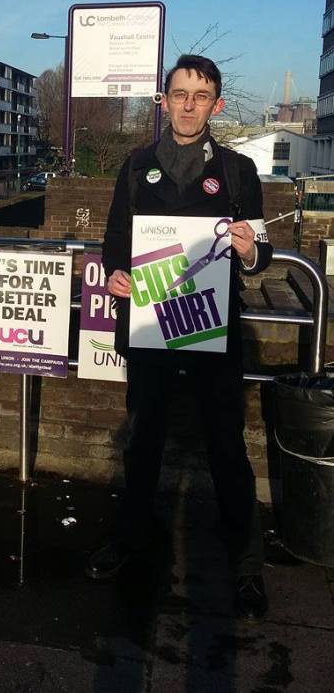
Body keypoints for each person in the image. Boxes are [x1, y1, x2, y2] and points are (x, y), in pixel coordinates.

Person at [86, 55, 272, 622]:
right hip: (150, 328)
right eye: (180, 94)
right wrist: (116, 274)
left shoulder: (238, 171)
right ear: (163, 101)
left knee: (226, 446)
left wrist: (250, 250)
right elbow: (115, 242)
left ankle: (246, 561)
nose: (189, 105)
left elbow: (261, 255)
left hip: (213, 331)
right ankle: (129, 538)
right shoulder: (135, 166)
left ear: (216, 104)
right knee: (142, 440)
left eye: (201, 95)